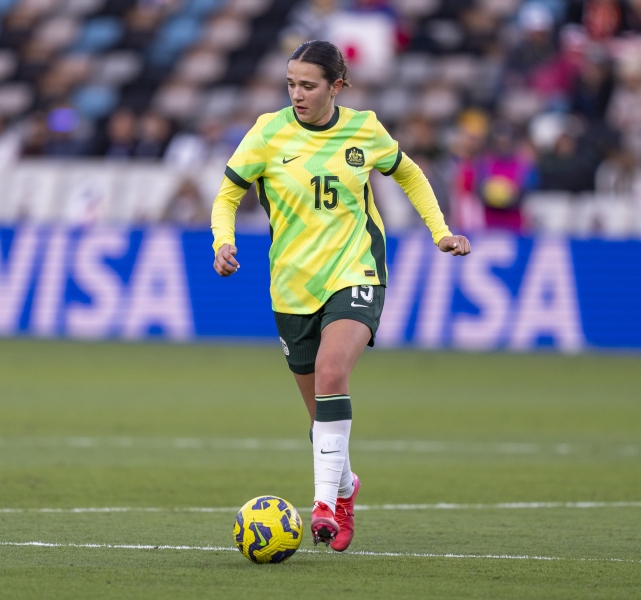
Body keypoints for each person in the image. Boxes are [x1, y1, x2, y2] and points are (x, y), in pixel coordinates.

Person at [211, 40, 470, 552]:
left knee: (333, 373)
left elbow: (410, 174)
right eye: (291, 84)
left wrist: (440, 230)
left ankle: (324, 505)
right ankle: (346, 486)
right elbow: (227, 194)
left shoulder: (364, 129)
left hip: (356, 270)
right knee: (320, 415)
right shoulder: (268, 132)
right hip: (291, 287)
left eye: (308, 85)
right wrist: (224, 241)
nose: (297, 94)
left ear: (337, 86)